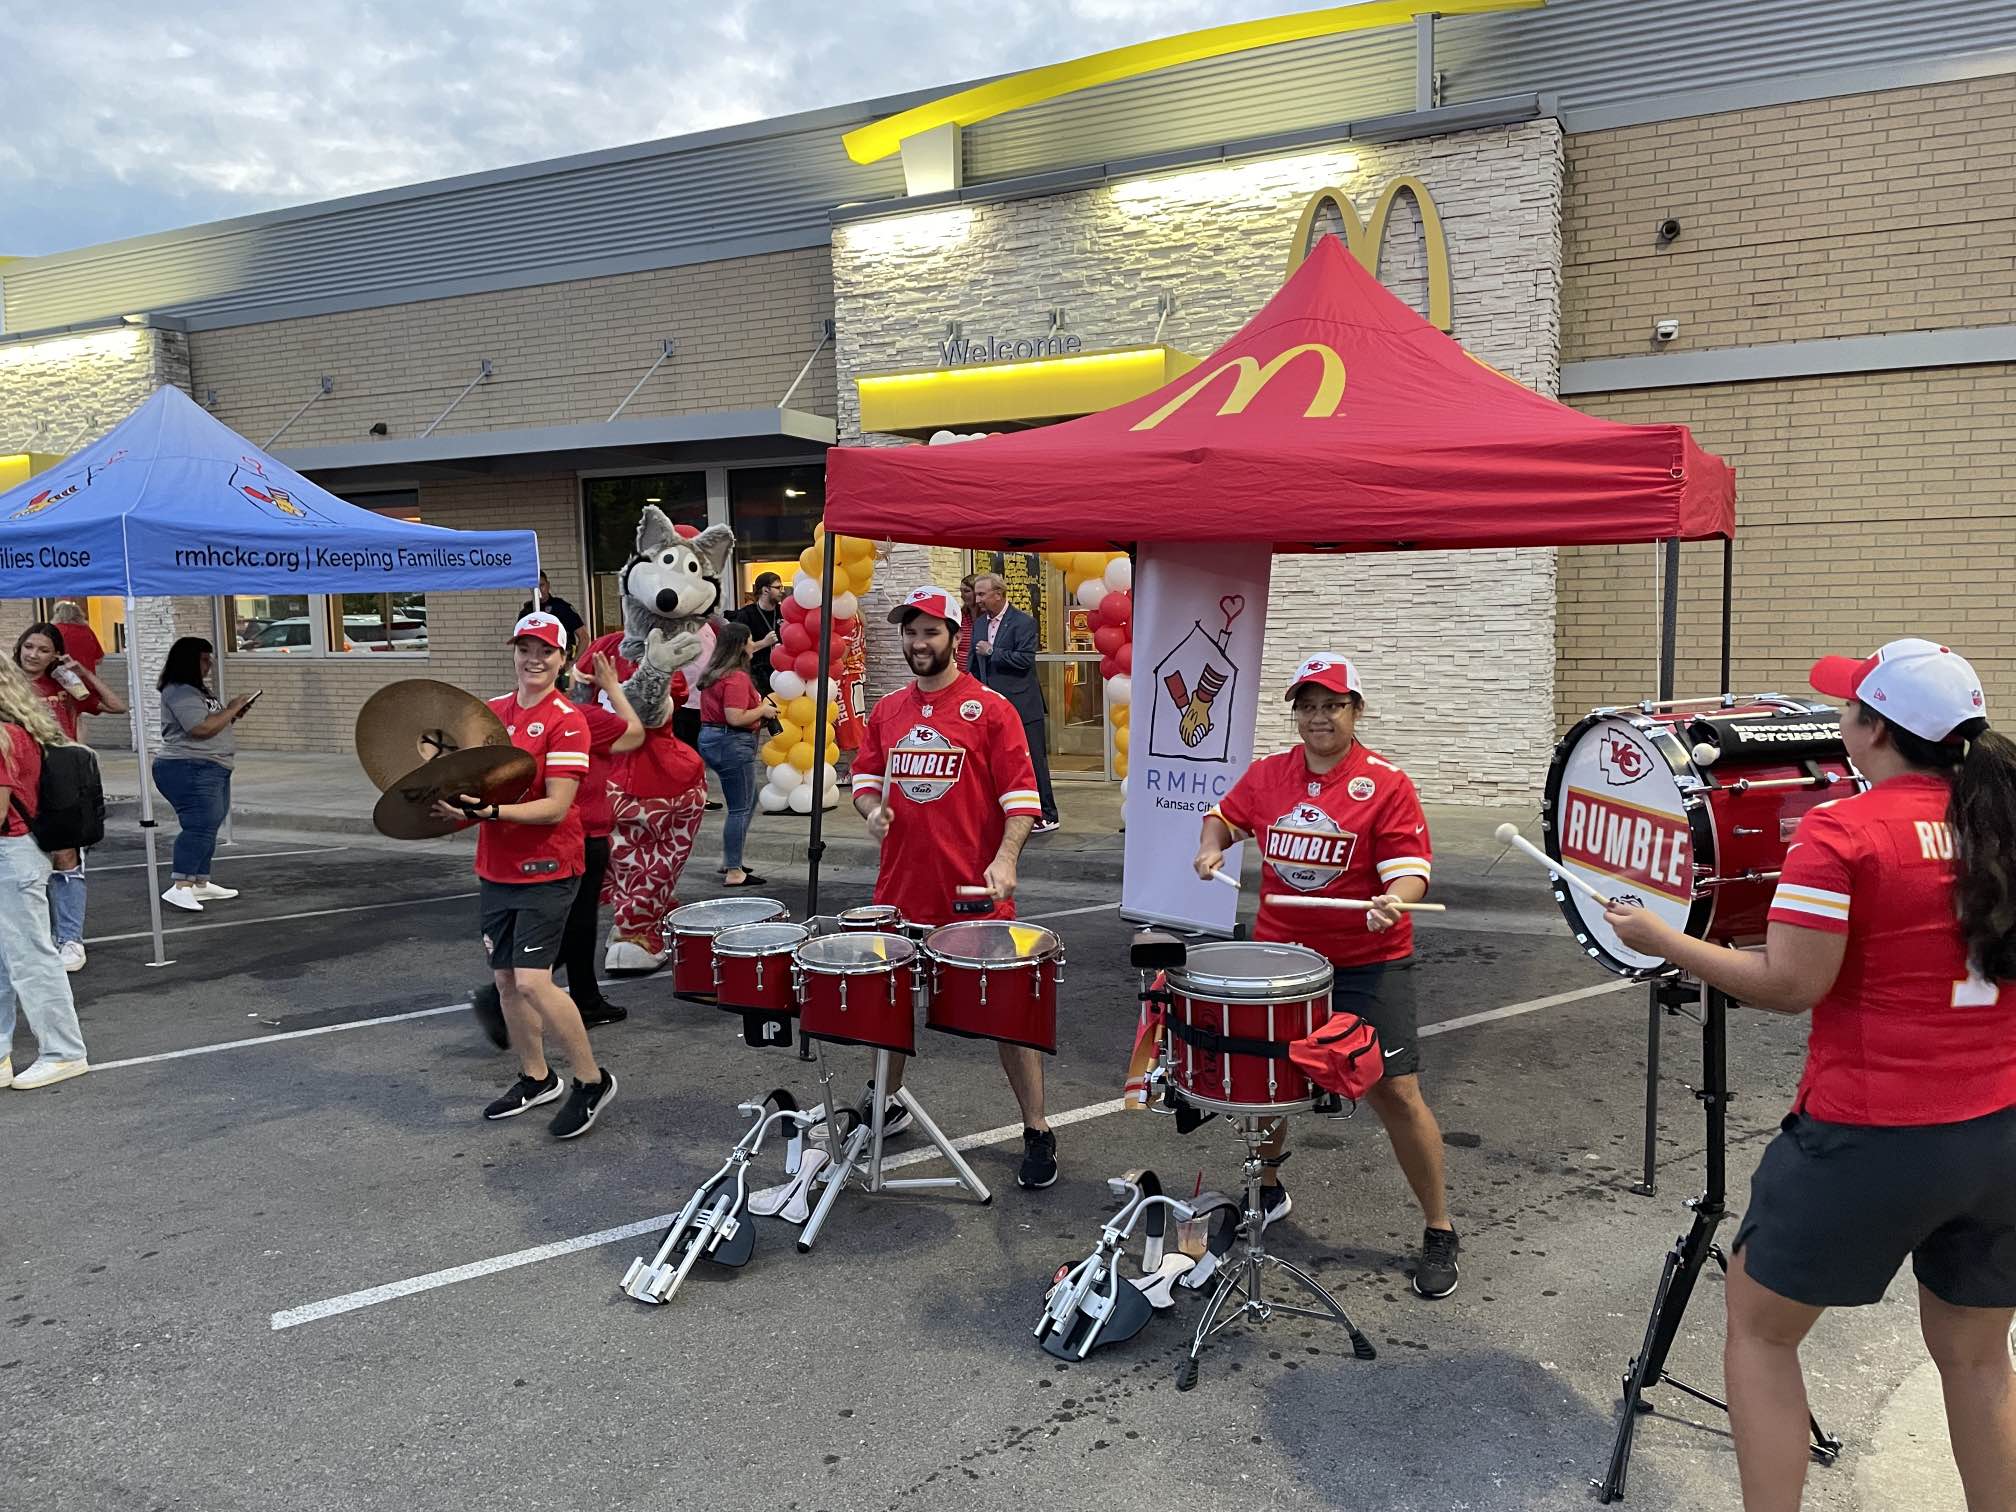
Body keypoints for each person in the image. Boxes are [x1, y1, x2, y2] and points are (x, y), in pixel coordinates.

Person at [1606, 638, 2016, 1512]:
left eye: (1848, 707)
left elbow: (1791, 986)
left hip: (1870, 1135)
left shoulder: (1845, 828)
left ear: (1875, 729)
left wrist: (1666, 940)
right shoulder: (2006, 816)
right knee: (1980, 1359)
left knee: (1759, 1335)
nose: (1837, 720)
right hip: (2003, 1129)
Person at [1191, 653, 1459, 1299]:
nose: (1319, 717)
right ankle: (1269, 1190)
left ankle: (1439, 1227)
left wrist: (1395, 895)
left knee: (1394, 1092)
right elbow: (1227, 815)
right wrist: (1212, 845)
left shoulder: (1384, 782)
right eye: (1308, 706)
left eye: (1332, 705)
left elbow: (1409, 866)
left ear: (1355, 711)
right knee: (1268, 1081)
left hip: (1370, 958)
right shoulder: (1269, 774)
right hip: (1284, 958)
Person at [850, 586, 1054, 1187]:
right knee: (887, 1011)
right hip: (899, 892)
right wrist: (869, 810)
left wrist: (1006, 858)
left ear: (954, 636)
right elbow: (865, 777)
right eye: (910, 632)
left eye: (930, 632)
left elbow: (1022, 797)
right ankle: (886, 1104)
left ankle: (1038, 1128)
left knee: (1008, 1020)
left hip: (974, 896)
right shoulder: (888, 710)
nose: (919, 643)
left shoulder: (991, 709)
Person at [433, 611, 616, 1139]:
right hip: (497, 867)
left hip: (549, 865)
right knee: (507, 982)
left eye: (545, 652)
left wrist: (485, 815)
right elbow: (460, 779)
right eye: (525, 649)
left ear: (563, 660)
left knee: (535, 981)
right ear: (514, 653)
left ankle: (591, 1079)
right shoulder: (489, 714)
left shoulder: (567, 719)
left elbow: (557, 807)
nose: (533, 660)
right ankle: (536, 1077)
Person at [0, 657, 90, 1090]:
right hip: (20, 852)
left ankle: (63, 1051)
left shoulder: (4, 737)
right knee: (11, 959)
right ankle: (4, 1053)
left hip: (9, 854)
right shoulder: (25, 729)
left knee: (31, 958)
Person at [14, 623, 125, 971]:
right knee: (24, 863)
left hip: (61, 780)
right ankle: (35, 938)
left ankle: (70, 939)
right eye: (29, 646)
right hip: (18, 781)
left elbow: (115, 705)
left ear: (54, 655)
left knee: (66, 858)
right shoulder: (8, 685)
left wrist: (80, 672)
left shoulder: (64, 683)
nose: (33, 655)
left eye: (43, 650)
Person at [555, 652, 646, 1028]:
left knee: (576, 921)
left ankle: (587, 998)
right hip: (583, 833)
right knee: (574, 924)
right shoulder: (587, 718)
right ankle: (503, 990)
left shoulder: (539, 713)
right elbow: (636, 732)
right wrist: (612, 686)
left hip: (555, 830)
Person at [154, 637, 255, 914]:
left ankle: (199, 880)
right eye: (204, 658)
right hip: (189, 765)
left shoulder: (197, 691)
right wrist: (232, 707)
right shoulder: (179, 691)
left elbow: (213, 723)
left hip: (211, 764)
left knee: (210, 822)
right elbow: (199, 728)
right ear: (188, 660)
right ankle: (180, 886)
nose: (209, 663)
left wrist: (231, 714)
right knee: (199, 824)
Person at [969, 573, 1059, 834]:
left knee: (1033, 760)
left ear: (999, 593)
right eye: (976, 594)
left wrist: (993, 652)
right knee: (993, 761)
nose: (978, 600)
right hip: (989, 706)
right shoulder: (978, 625)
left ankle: (1047, 814)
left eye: (982, 594)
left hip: (1022, 704)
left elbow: (1025, 660)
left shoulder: (1024, 622)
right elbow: (974, 666)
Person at [697, 624, 777, 889]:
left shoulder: (714, 673)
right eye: (751, 640)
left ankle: (732, 859)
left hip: (712, 738)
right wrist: (763, 710)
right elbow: (735, 717)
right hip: (731, 742)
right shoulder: (736, 677)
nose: (753, 645)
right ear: (741, 644)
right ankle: (734, 870)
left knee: (747, 799)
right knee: (740, 807)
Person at [728, 572, 785, 703]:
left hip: (782, 675)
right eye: (778, 588)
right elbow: (736, 650)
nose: (781, 591)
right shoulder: (745, 615)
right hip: (755, 675)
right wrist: (764, 643)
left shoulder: (784, 612)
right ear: (765, 590)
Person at [519, 573, 584, 660]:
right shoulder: (527, 612)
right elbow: (520, 643)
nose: (539, 590)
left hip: (562, 663)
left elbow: (584, 637)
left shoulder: (562, 607)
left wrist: (573, 663)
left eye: (542, 585)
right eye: (535, 587)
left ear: (548, 585)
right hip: (536, 664)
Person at [49, 602, 106, 673]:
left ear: (56, 615)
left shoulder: (53, 630)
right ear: (79, 615)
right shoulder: (87, 631)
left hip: (62, 679)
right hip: (87, 678)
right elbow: (99, 659)